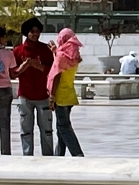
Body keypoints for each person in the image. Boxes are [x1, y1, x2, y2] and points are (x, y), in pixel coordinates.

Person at [11, 17, 55, 156]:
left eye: (38, 31)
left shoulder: (45, 50)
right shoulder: (17, 51)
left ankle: (48, 157)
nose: (35, 34)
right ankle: (27, 156)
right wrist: (23, 68)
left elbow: (53, 72)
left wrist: (39, 66)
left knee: (47, 131)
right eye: (32, 31)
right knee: (26, 130)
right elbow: (12, 74)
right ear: (26, 33)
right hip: (25, 97)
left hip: (43, 96)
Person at [48, 27, 85, 157]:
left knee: (63, 127)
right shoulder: (73, 54)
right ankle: (59, 155)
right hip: (69, 94)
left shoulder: (61, 56)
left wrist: (52, 97)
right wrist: (55, 51)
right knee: (61, 128)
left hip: (60, 96)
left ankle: (77, 154)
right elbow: (62, 62)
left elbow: (57, 75)